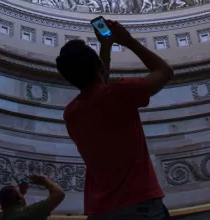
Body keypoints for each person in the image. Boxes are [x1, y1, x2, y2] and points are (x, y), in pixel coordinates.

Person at [56, 20, 174, 220]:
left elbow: (97, 86)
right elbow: (164, 71)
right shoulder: (120, 93)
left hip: (100, 211)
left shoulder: (71, 113)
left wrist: (106, 46)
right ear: (99, 67)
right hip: (140, 206)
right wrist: (128, 41)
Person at [0, 174, 65, 220]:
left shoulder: (0, 216)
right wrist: (45, 180)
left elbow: (11, 201)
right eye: (20, 194)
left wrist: (20, 192)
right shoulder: (30, 213)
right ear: (19, 200)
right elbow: (59, 194)